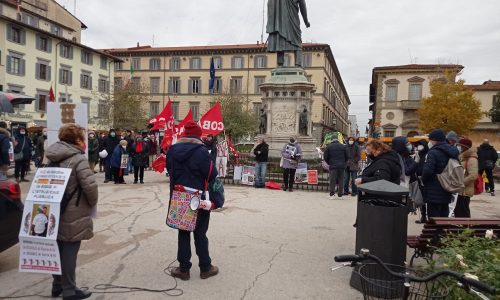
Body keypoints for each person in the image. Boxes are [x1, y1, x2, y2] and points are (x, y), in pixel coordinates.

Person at [45, 123, 98, 300]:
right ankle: (69, 290)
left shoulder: (51, 155)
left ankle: (57, 285)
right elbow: (90, 187)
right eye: (82, 138)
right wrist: (92, 203)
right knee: (69, 249)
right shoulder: (78, 159)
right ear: (77, 139)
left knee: (57, 247)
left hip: (53, 208)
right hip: (73, 209)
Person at [166, 121, 219, 281]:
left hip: (179, 194)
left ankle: (184, 269)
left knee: (183, 232)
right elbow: (212, 174)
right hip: (198, 197)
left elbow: (169, 170)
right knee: (200, 233)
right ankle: (205, 267)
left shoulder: (173, 149)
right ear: (198, 134)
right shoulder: (202, 151)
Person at [421, 129, 460, 218]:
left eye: (430, 140)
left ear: (434, 140)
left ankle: (434, 232)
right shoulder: (452, 152)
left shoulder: (433, 152)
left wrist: (423, 180)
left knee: (433, 219)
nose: (429, 142)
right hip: (447, 188)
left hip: (433, 190)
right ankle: (442, 232)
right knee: (443, 217)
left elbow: (427, 171)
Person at [266, 0, 310, 67]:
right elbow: (302, 3)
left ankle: (280, 64)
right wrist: (306, 21)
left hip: (280, 20)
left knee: (280, 37)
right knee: (297, 41)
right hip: (291, 20)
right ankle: (298, 64)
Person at [455, 138, 477, 218]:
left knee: (463, 212)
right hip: (459, 190)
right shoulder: (462, 157)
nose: (458, 147)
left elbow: (473, 175)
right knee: (458, 211)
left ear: (465, 147)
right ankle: (459, 229)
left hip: (464, 191)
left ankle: (466, 229)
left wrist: (461, 183)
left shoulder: (472, 159)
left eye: (460, 146)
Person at [323, 133, 349, 199]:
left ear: (331, 139)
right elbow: (347, 156)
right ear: (337, 139)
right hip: (341, 166)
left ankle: (332, 194)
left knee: (332, 180)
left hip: (333, 166)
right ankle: (340, 195)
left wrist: (329, 162)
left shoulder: (329, 146)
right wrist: (343, 162)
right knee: (341, 180)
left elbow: (325, 156)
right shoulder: (343, 146)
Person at [414, 139, 429, 224]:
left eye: (420, 145)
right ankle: (423, 216)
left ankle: (426, 216)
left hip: (424, 180)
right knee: (421, 199)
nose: (419, 147)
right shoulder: (419, 154)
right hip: (419, 179)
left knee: (426, 199)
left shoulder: (428, 154)